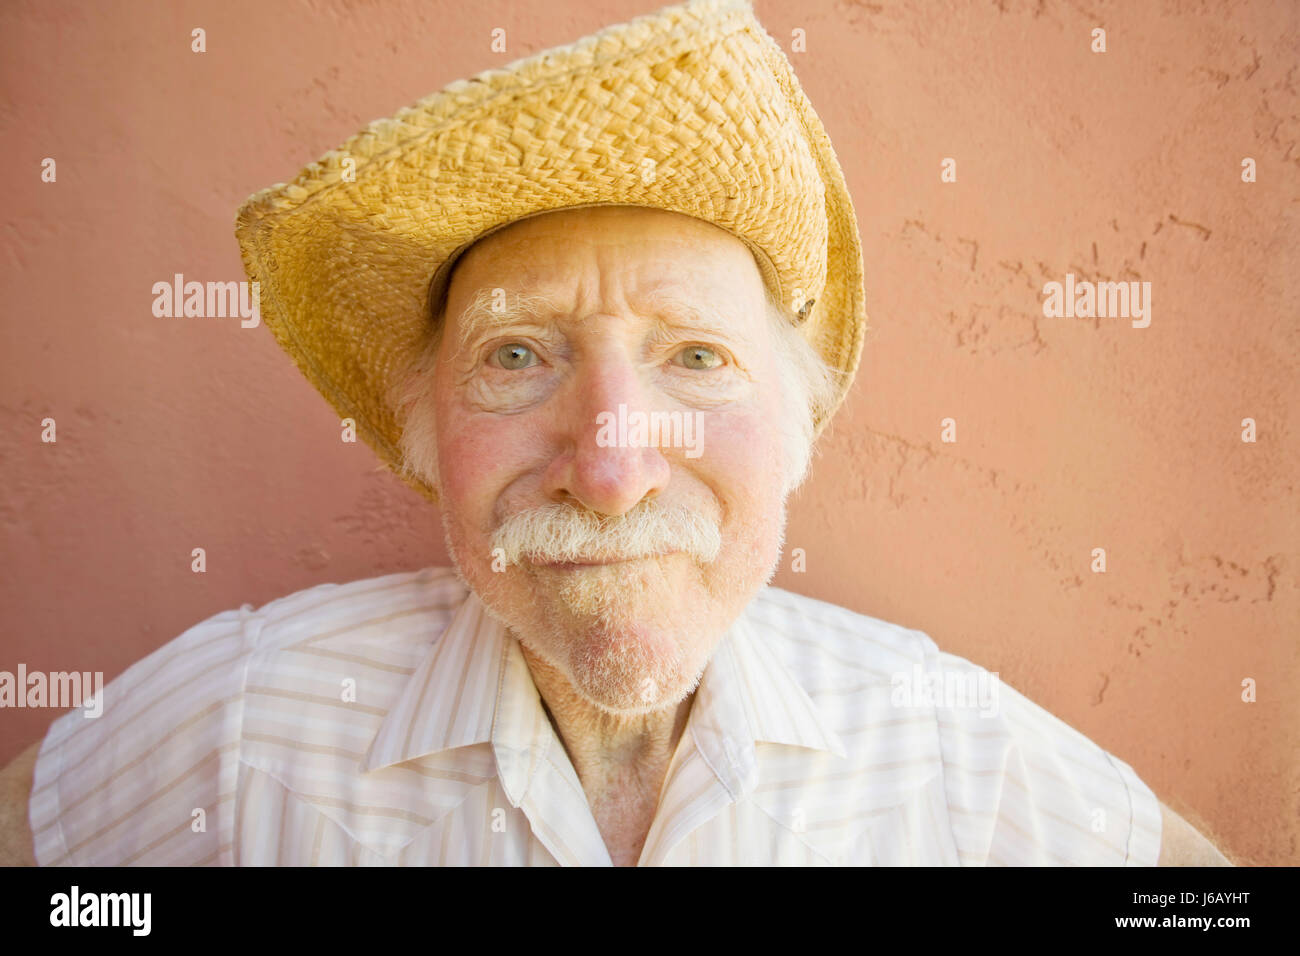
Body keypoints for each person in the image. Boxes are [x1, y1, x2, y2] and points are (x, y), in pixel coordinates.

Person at [0, 0, 1230, 866]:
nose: (608, 466)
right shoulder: (242, 716)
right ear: (423, 432)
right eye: (517, 356)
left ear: (797, 426)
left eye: (695, 357)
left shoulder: (949, 744)